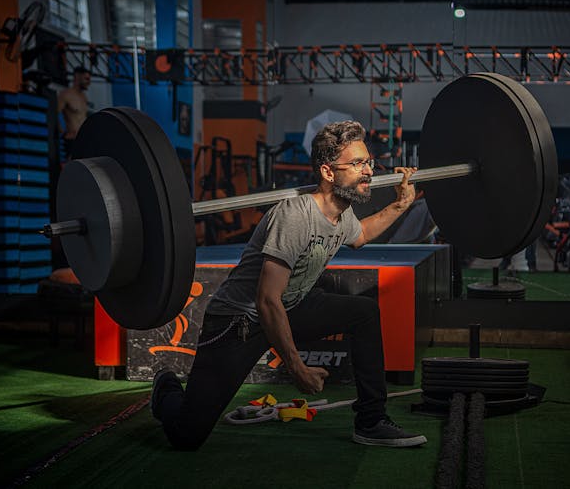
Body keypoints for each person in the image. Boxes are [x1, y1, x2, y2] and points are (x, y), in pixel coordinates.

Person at [151, 121, 427, 450]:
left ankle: (371, 420)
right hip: (240, 321)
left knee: (363, 312)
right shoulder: (296, 216)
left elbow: (361, 235)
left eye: (368, 162)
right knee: (186, 435)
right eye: (357, 164)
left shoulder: (342, 212)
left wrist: (400, 204)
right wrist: (298, 369)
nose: (368, 171)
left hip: (289, 306)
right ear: (328, 172)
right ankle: (166, 389)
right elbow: (266, 301)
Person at [57, 65, 91, 160]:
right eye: (86, 79)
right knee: (73, 169)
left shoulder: (83, 96)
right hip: (72, 140)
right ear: (77, 77)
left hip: (84, 141)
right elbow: (54, 114)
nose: (89, 82)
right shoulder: (66, 94)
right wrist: (63, 133)